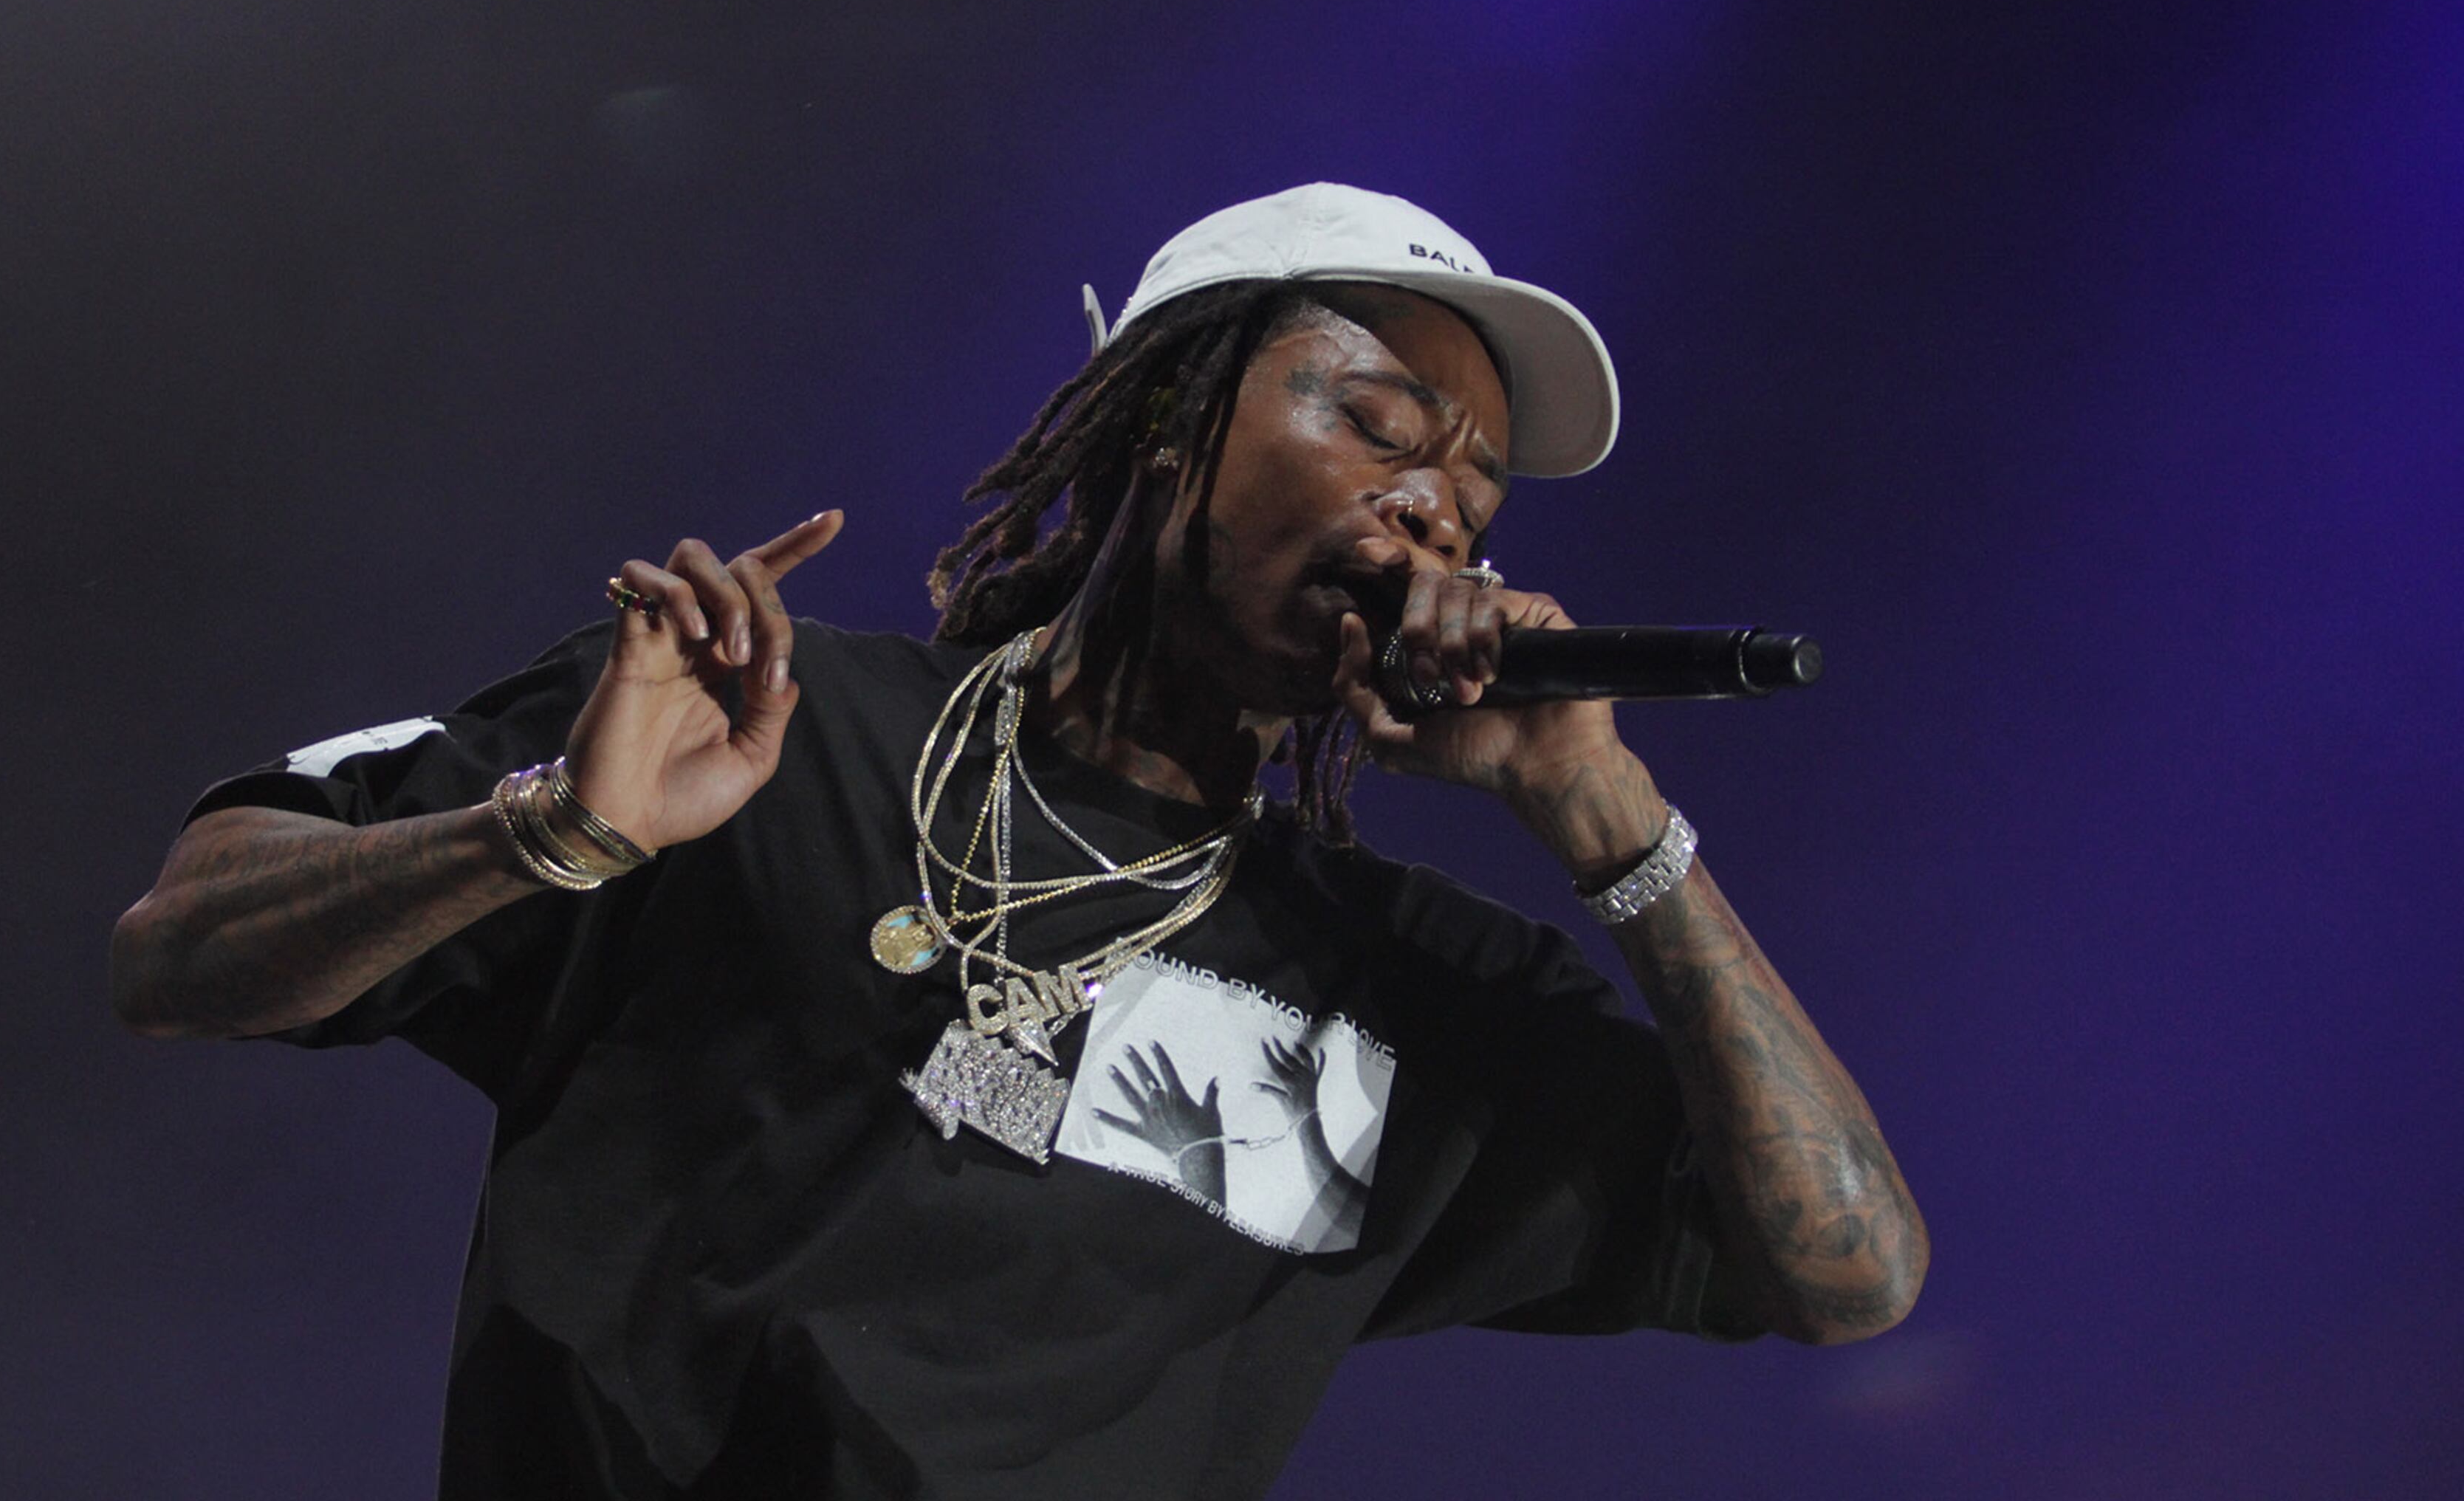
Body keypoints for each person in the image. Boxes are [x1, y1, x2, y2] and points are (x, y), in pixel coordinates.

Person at [112, 183, 1926, 1500]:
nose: (1429, 507)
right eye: (1374, 422)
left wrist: (1599, 809)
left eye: (1469, 488)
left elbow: (1849, 1271)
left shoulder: (1410, 996)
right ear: (1162, 417)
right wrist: (557, 832)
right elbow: (183, 945)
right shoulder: (757, 721)